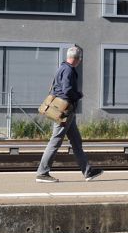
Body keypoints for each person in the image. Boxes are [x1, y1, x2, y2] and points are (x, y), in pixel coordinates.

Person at [36, 46, 103, 183]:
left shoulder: (62, 67)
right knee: (55, 141)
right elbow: (67, 91)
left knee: (76, 142)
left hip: (66, 112)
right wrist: (78, 94)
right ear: (77, 59)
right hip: (64, 111)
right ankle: (42, 173)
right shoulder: (68, 70)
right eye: (80, 59)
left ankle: (88, 171)